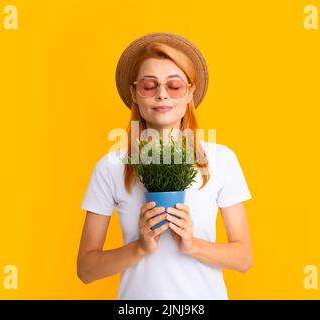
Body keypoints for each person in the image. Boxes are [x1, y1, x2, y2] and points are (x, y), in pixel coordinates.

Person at [77, 32, 253, 300]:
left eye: (174, 86)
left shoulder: (222, 160)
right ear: (135, 93)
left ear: (190, 93)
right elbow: (86, 270)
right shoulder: (111, 166)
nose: (162, 95)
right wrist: (140, 248)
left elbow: (243, 258)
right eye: (149, 86)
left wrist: (192, 245)